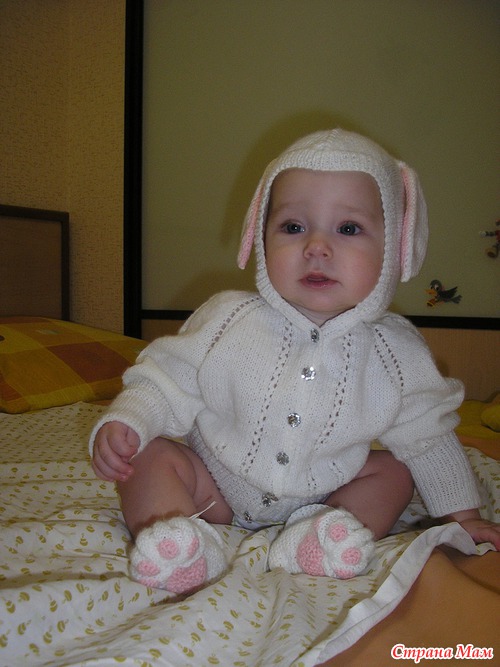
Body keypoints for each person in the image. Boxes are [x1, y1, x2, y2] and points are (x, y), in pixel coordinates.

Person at [90, 129, 500, 596]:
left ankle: (320, 540)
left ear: (393, 250)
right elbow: (166, 379)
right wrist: (130, 419)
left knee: (394, 473)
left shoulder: (396, 353)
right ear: (259, 236)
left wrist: (463, 517)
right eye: (293, 227)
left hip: (326, 498)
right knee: (149, 456)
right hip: (212, 491)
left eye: (348, 229)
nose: (316, 247)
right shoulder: (228, 319)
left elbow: (428, 437)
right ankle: (181, 545)